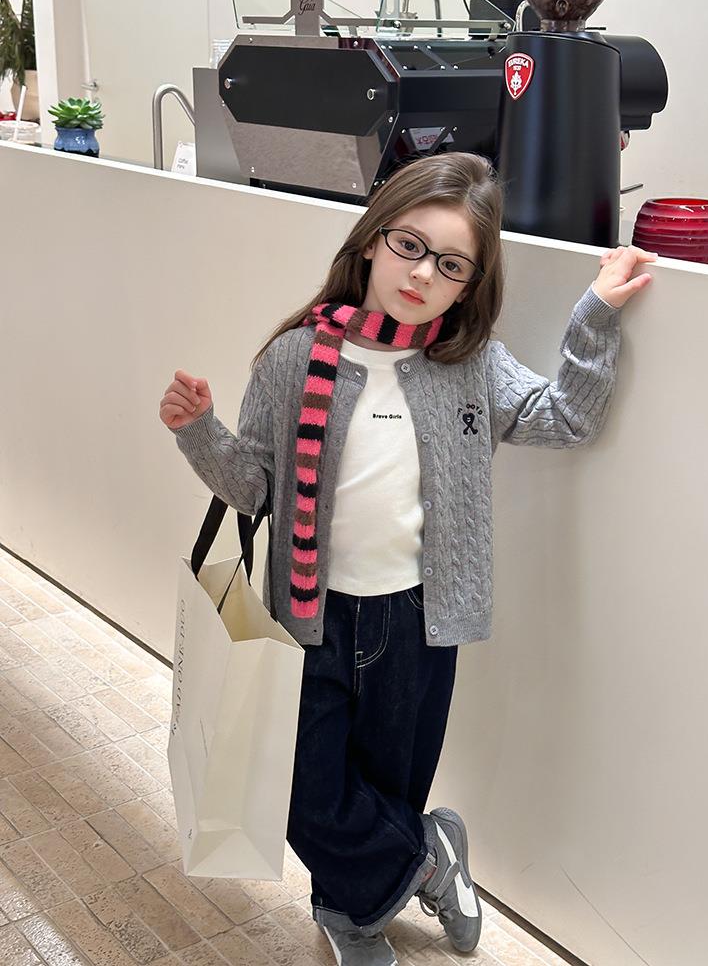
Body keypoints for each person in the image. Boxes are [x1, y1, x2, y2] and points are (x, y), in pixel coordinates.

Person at [159, 152, 656, 966]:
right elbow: (254, 487)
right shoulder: (293, 359)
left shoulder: (470, 366)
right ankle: (428, 857)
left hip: (418, 620)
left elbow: (566, 417)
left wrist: (595, 313)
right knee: (302, 788)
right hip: (310, 616)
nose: (424, 274)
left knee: (389, 782)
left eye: (451, 264)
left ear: (470, 285)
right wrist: (199, 432)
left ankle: (349, 916)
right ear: (372, 240)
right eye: (410, 246)